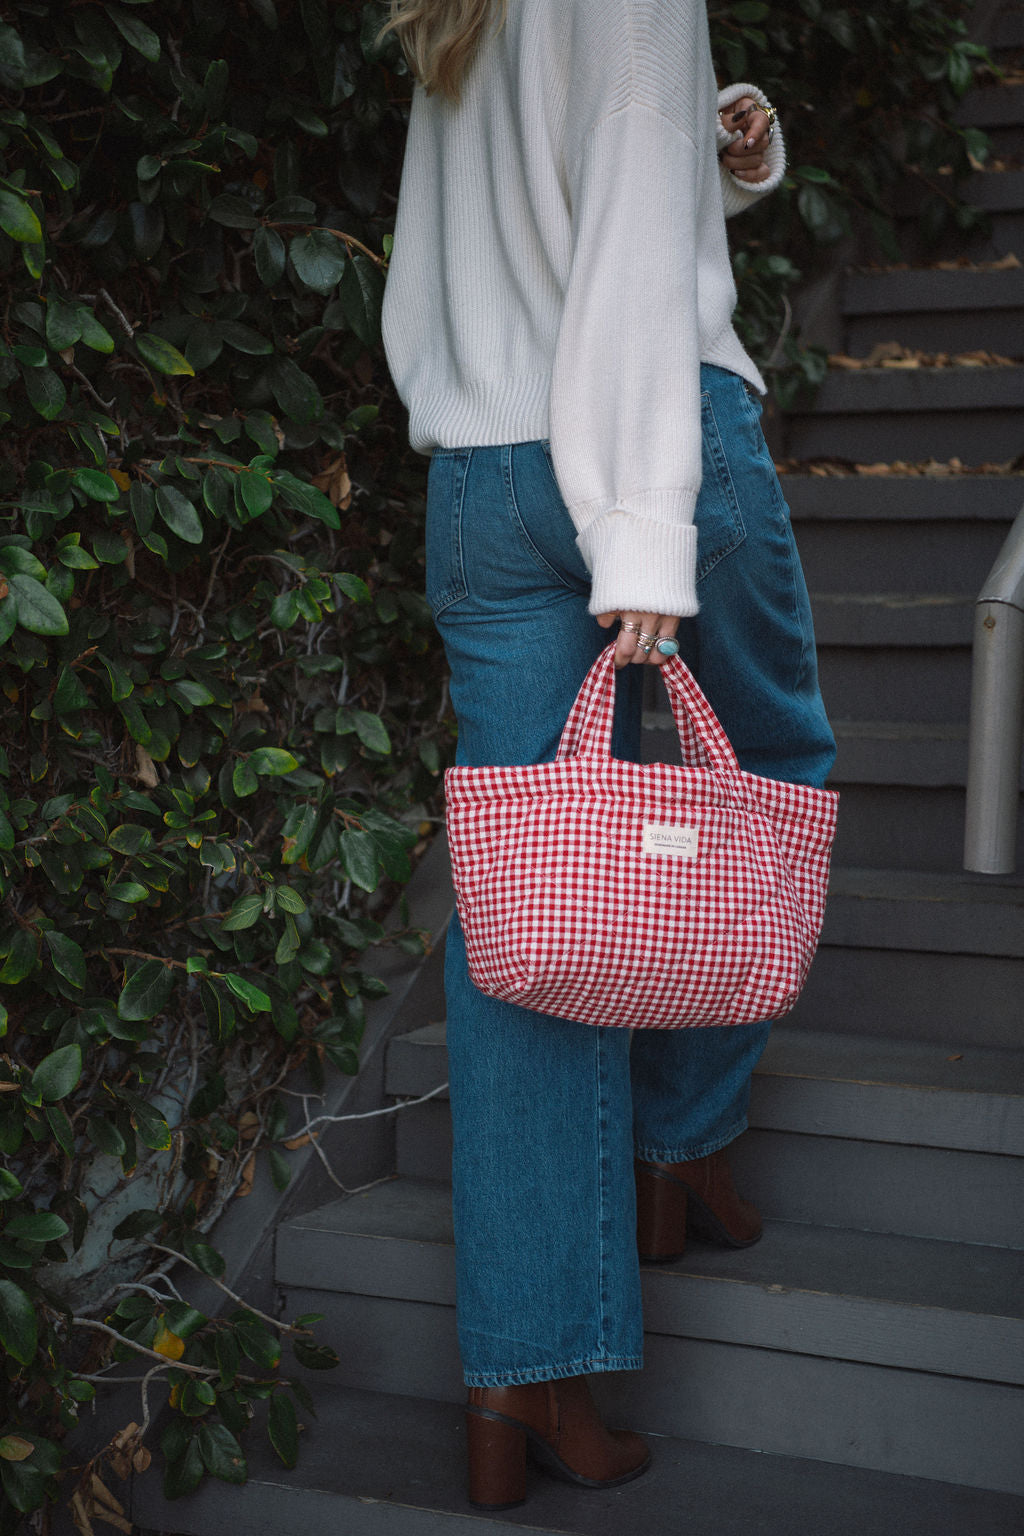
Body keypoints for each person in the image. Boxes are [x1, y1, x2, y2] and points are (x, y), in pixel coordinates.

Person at [380, 0, 836, 1512]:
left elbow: (563, 180)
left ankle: (525, 1376)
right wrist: (641, 514)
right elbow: (632, 257)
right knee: (769, 784)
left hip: (481, 467)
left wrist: (719, 136)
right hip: (638, 443)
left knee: (525, 926)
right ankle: (683, 1139)